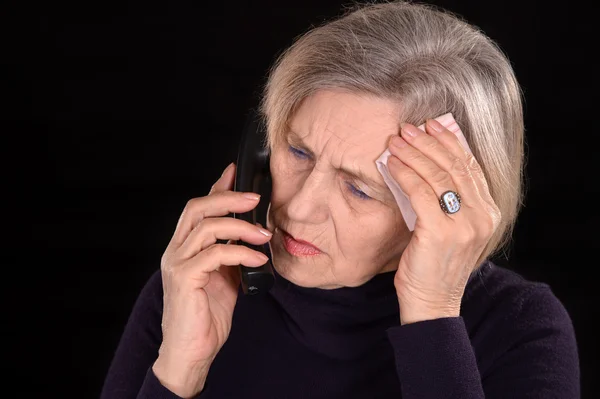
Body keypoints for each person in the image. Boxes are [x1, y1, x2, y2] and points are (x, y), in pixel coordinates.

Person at [100, 1, 580, 398]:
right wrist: (177, 372)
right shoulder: (198, 283)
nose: (298, 208)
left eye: (359, 188)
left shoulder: (522, 328)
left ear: (441, 206)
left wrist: (432, 313)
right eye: (298, 151)